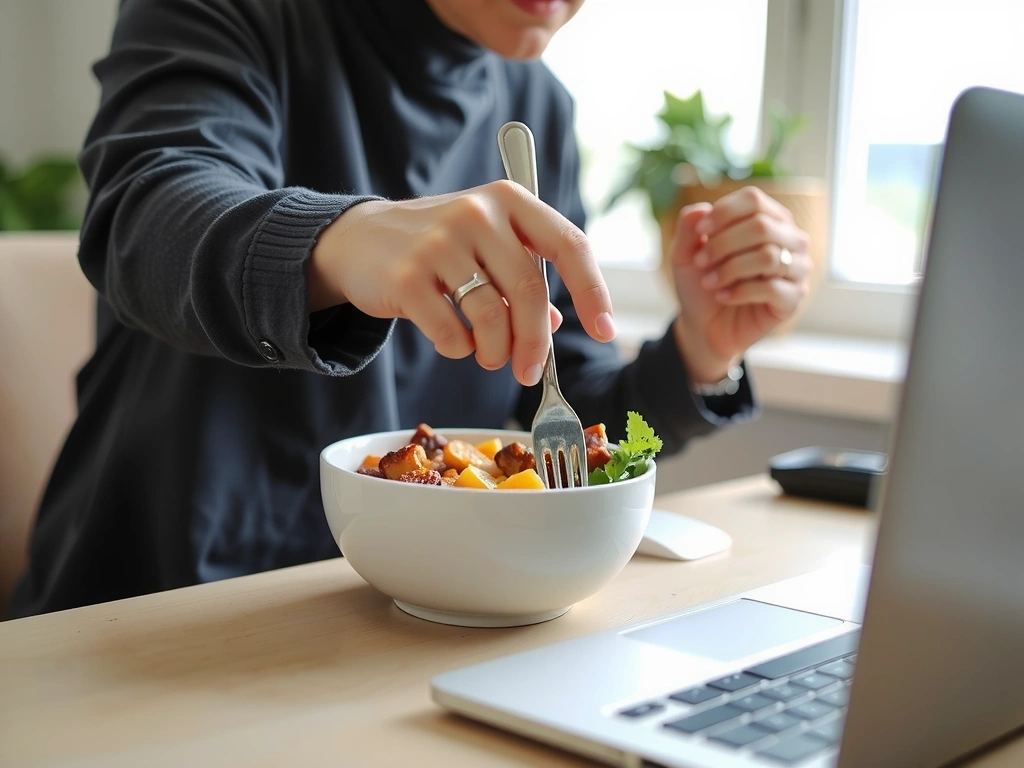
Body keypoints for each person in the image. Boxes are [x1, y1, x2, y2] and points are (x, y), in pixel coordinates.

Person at [9, 0, 812, 619]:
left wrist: (699, 352)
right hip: (169, 606)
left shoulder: (538, 108)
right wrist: (348, 238)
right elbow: (144, 217)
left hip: (422, 624)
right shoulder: (239, 14)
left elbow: (552, 414)